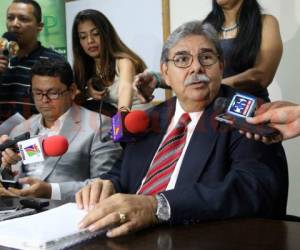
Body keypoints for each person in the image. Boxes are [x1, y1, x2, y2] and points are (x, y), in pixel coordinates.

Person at [75, 21, 288, 238]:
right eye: (182, 59)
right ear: (165, 73)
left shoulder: (248, 113)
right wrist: (107, 184)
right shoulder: (151, 118)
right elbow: (123, 173)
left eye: (206, 57)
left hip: (198, 237)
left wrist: (158, 206)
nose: (196, 67)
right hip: (130, 235)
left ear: (221, 66)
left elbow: (253, 189)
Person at [0, 58, 122, 200]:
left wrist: (52, 191)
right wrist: (6, 165)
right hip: (18, 213)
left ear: (72, 91)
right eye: (38, 93)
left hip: (68, 214)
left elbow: (106, 186)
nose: (44, 100)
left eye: (53, 93)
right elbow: (10, 178)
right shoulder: (21, 130)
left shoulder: (99, 126)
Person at [134, 0, 282, 102]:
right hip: (212, 112)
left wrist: (208, 86)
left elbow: (261, 76)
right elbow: (193, 72)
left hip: (250, 111)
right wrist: (158, 79)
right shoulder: (206, 27)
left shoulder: (265, 23)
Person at [72, 9, 151, 113]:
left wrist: (120, 120)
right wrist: (88, 93)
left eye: (96, 34)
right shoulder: (87, 67)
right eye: (83, 37)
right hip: (113, 121)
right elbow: (75, 100)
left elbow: (124, 89)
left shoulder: (124, 62)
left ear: (106, 34)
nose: (90, 41)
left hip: (139, 121)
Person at [0, 0, 64, 124]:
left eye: (23, 19)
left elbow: (60, 108)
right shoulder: (2, 55)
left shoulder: (54, 61)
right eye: (10, 18)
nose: (14, 24)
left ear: (39, 26)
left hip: (33, 137)